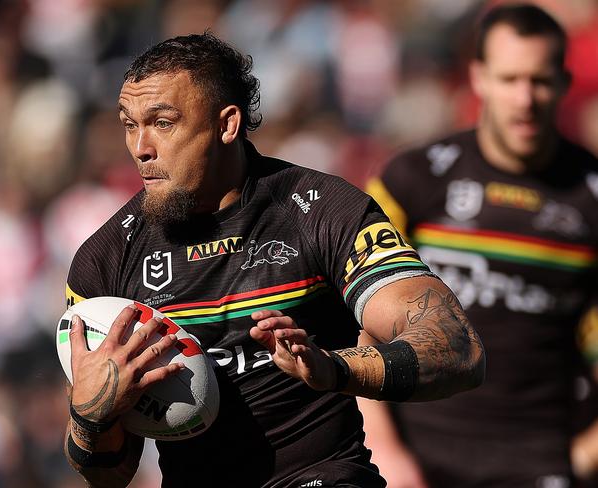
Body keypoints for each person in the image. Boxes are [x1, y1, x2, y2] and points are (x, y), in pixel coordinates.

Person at [61, 32, 485, 488]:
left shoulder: (322, 210)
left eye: (163, 122)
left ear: (227, 125)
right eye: (129, 124)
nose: (140, 148)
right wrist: (90, 417)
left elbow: (459, 347)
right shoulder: (104, 260)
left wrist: (335, 369)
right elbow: (109, 474)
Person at [362, 4, 598, 487]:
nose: (524, 99)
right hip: (415, 460)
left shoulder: (592, 196)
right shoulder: (411, 180)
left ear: (565, 82)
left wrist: (581, 461)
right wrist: (384, 450)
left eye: (540, 80)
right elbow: (352, 318)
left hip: (540, 460)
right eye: (509, 79)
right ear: (478, 78)